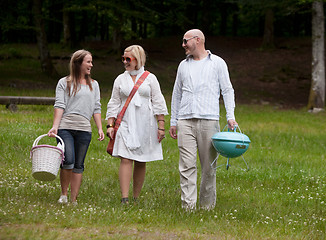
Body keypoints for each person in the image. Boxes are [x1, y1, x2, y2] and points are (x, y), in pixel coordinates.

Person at [169, 29, 238, 211]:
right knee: (186, 166)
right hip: (185, 120)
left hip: (209, 120)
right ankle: (188, 207)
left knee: (209, 168)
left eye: (185, 41)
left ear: (197, 40)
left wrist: (230, 116)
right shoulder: (183, 65)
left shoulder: (217, 63)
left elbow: (228, 90)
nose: (183, 44)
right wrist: (173, 121)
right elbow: (176, 94)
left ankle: (206, 207)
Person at [106, 45, 168, 205]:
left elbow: (158, 100)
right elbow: (114, 101)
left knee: (141, 159)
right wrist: (110, 124)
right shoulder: (120, 79)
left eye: (129, 59)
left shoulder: (150, 78)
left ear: (138, 60)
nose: (125, 62)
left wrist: (161, 126)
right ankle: (124, 197)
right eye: (123, 58)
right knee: (125, 158)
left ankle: (136, 197)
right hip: (126, 121)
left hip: (146, 123)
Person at [48, 49, 105, 205]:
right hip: (65, 127)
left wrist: (99, 128)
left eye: (91, 62)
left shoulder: (94, 85)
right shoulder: (64, 82)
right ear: (78, 63)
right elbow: (59, 105)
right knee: (68, 160)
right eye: (88, 62)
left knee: (79, 164)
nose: (91, 65)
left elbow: (97, 108)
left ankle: (73, 199)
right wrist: (55, 126)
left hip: (84, 129)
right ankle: (64, 195)